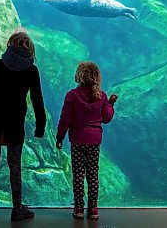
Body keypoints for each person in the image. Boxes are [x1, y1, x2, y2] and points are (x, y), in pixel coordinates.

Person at [0, 28, 46, 222]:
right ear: (30, 50)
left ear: (10, 45)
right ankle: (17, 208)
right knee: (14, 166)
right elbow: (37, 100)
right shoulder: (31, 70)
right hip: (15, 124)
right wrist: (40, 126)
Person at [55, 61, 118, 220]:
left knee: (78, 174)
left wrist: (60, 136)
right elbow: (106, 118)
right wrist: (110, 104)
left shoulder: (72, 96)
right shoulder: (102, 96)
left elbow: (65, 119)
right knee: (92, 174)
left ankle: (78, 208)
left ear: (79, 76)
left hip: (77, 140)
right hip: (94, 141)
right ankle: (93, 209)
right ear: (97, 77)